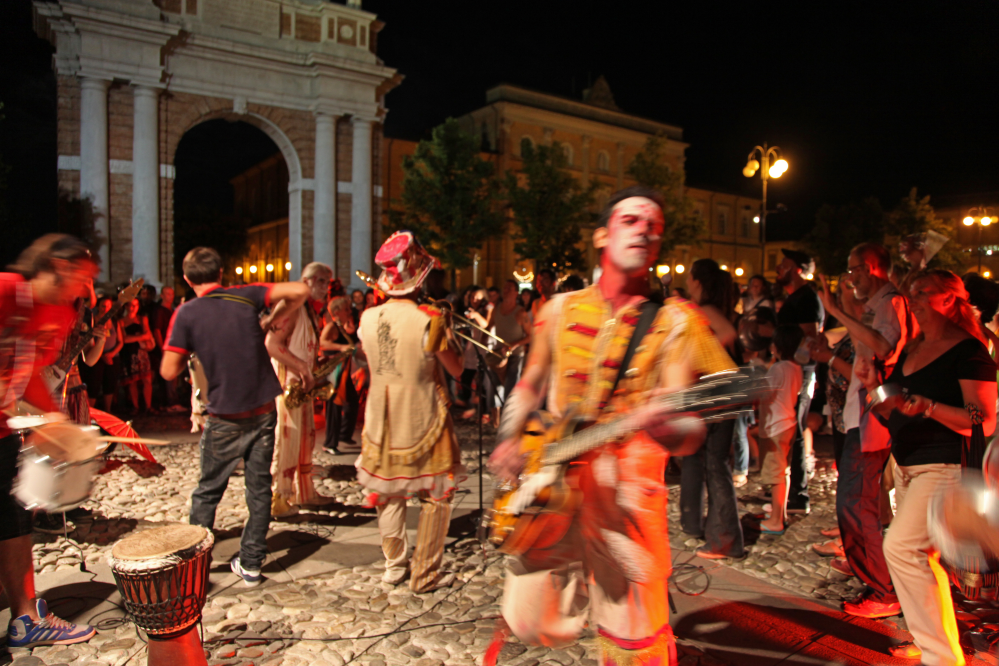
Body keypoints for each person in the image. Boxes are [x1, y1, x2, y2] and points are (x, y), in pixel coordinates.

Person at [488, 186, 736, 664]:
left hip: (628, 509)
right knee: (528, 619)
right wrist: (510, 437)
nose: (645, 228)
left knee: (632, 648)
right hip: (551, 492)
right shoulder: (557, 309)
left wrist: (666, 426)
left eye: (654, 227)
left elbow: (690, 436)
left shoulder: (677, 322)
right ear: (601, 235)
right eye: (631, 220)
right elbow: (530, 381)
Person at [860, 269, 996, 665]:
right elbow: (895, 411)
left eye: (923, 292)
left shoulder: (967, 350)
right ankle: (931, 639)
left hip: (944, 465)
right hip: (908, 465)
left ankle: (941, 657)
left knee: (902, 548)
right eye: (911, 291)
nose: (913, 297)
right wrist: (876, 390)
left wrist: (931, 408)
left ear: (949, 299)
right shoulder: (915, 347)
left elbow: (982, 419)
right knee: (921, 556)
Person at [161, 247, 310, 586]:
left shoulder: (186, 313)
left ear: (186, 279)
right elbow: (300, 291)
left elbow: (169, 371)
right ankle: (252, 562)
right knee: (258, 489)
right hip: (262, 410)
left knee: (208, 491)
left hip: (225, 415)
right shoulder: (247, 295)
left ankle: (194, 567)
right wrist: (271, 319)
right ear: (222, 272)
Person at [0, 234, 98, 649]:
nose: (86, 290)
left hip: (2, 431)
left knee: (14, 518)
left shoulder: (55, 314)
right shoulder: (6, 290)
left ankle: (25, 617)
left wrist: (57, 423)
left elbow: (33, 373)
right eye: (84, 279)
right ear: (60, 268)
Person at [355, 231, 466, 592]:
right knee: (436, 495)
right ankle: (426, 573)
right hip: (423, 416)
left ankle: (394, 565)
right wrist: (449, 330)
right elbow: (457, 369)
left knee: (387, 494)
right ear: (419, 279)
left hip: (380, 417)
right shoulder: (429, 319)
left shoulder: (367, 319)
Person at [816, 243, 912, 617]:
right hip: (862, 414)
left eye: (854, 269)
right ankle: (878, 582)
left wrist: (839, 311)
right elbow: (864, 352)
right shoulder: (877, 305)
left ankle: (884, 589)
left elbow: (884, 347)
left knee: (856, 504)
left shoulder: (891, 303)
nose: (850, 276)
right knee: (855, 504)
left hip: (873, 418)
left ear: (872, 268)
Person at [679, 259, 744, 559]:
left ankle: (727, 540)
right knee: (715, 466)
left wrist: (708, 361)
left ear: (696, 281)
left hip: (717, 397)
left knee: (717, 469)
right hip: (720, 397)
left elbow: (728, 334)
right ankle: (720, 535)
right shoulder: (708, 309)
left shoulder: (705, 311)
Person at [266, 262, 334, 517]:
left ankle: (304, 492)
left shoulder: (309, 311)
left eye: (327, 282)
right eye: (321, 281)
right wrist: (302, 369)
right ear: (306, 281)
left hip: (303, 385)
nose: (325, 288)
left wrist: (316, 366)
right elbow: (272, 344)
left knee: (306, 439)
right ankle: (279, 497)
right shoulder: (291, 307)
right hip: (288, 386)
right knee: (287, 441)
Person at [807, 274, 863, 558]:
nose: (838, 302)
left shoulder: (866, 333)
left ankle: (850, 542)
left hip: (856, 419)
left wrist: (829, 358)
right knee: (847, 481)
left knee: (854, 487)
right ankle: (846, 533)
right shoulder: (851, 332)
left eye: (844, 296)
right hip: (843, 417)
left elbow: (859, 374)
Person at [773, 248, 824, 515]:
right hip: (792, 371)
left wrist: (793, 367)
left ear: (798, 269)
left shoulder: (807, 299)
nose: (779, 268)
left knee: (794, 428)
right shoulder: (796, 298)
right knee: (790, 429)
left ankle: (798, 494)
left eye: (784, 264)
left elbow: (809, 339)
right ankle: (789, 489)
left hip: (799, 374)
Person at [752, 324, 805, 535]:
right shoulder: (796, 367)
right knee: (783, 471)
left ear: (778, 345)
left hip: (775, 426)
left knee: (775, 475)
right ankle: (779, 513)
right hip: (789, 423)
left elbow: (764, 394)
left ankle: (775, 520)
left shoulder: (778, 368)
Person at [320, 292, 360, 454]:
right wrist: (341, 348)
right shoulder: (332, 326)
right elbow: (322, 343)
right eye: (346, 309)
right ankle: (330, 443)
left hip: (343, 372)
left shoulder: (342, 328)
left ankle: (343, 434)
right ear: (336, 312)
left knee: (352, 401)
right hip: (334, 372)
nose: (349, 311)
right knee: (334, 406)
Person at [119, 297, 155, 414]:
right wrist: (140, 337)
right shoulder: (121, 321)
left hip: (141, 353)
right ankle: (136, 406)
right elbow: (124, 339)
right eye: (131, 305)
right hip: (128, 353)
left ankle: (148, 406)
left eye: (136, 305)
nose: (133, 308)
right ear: (126, 306)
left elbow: (147, 335)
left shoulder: (142, 319)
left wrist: (132, 338)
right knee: (132, 381)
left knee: (147, 380)